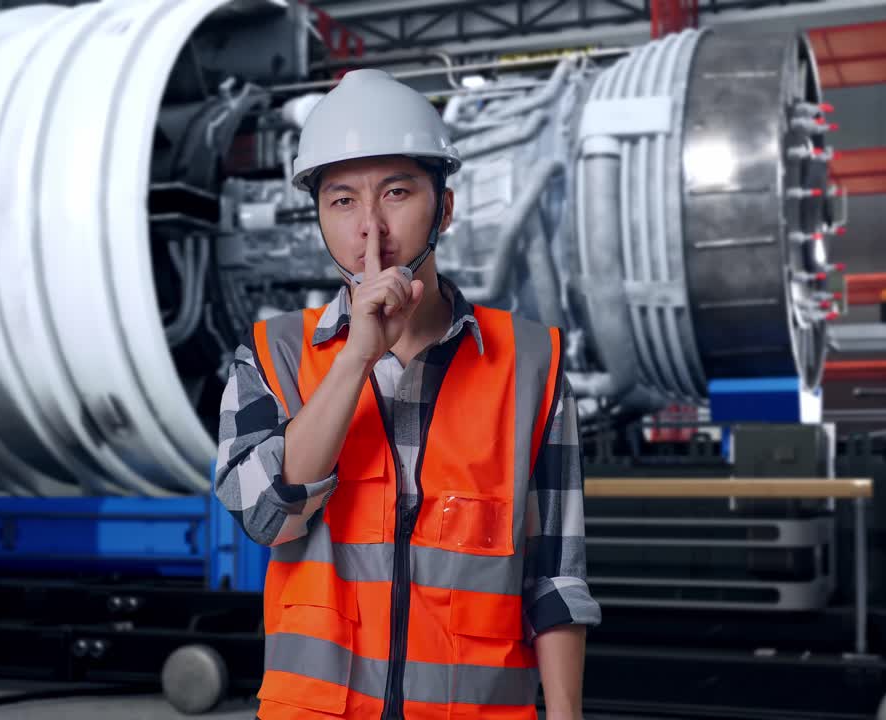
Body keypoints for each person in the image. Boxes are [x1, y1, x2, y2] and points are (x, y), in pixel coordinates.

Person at [214, 68, 600, 720]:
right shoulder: (273, 354)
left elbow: (555, 575)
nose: (371, 227)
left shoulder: (530, 364)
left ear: (444, 207)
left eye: (396, 193)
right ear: (318, 220)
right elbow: (267, 518)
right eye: (341, 201)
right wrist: (355, 357)